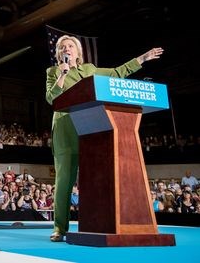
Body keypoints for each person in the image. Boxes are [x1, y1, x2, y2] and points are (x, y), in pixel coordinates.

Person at [45, 34, 163, 242]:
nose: (66, 49)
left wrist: (141, 59)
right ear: (58, 53)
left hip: (91, 126)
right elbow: (51, 98)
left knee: (95, 179)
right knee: (64, 182)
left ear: (77, 52)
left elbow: (116, 73)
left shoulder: (89, 70)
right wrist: (62, 75)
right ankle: (59, 228)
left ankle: (97, 224)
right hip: (65, 129)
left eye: (70, 46)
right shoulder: (54, 72)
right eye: (62, 47)